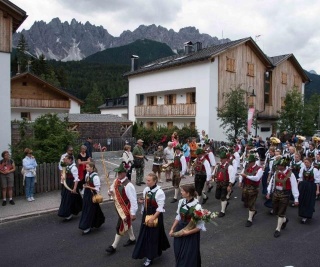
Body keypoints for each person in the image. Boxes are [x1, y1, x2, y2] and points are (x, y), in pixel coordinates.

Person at [132, 173, 170, 266]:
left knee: (152, 237)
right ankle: (152, 252)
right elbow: (146, 202)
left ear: (155, 181)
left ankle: (150, 257)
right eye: (147, 180)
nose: (147, 182)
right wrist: (142, 202)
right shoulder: (146, 189)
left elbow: (161, 208)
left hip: (155, 216)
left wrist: (153, 218)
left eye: (149, 180)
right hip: (146, 215)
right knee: (145, 235)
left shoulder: (160, 192)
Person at [169, 184, 205, 267]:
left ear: (188, 193)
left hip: (190, 233)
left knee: (188, 255)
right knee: (178, 250)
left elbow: (200, 227)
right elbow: (178, 217)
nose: (181, 192)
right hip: (180, 229)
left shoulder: (197, 207)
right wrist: (172, 228)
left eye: (182, 191)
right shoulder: (181, 202)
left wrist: (188, 233)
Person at [106, 163, 138, 254]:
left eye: (120, 173)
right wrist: (109, 192)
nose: (118, 174)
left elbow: (133, 200)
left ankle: (113, 246)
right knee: (126, 223)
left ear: (125, 173)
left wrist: (133, 213)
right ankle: (132, 239)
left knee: (120, 226)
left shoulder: (128, 185)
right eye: (118, 173)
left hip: (126, 209)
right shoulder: (116, 181)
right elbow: (112, 189)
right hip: (118, 207)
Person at [266, 156, 299, 238]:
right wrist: (268, 192)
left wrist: (296, 198)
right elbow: (272, 182)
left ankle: (278, 229)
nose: (277, 167)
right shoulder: (276, 172)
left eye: (278, 165)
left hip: (285, 194)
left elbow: (294, 186)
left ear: (283, 166)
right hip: (276, 193)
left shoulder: (291, 174)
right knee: (276, 211)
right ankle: (284, 220)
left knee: (281, 211)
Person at [79, 162, 105, 234]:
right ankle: (98, 220)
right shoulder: (87, 174)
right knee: (91, 208)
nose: (86, 168)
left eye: (87, 167)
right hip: (87, 194)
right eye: (86, 167)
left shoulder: (95, 177)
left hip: (92, 194)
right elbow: (86, 183)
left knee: (89, 210)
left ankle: (87, 226)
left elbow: (97, 188)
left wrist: (88, 187)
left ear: (92, 168)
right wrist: (85, 187)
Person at [239, 154, 263, 227]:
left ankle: (249, 219)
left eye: (249, 162)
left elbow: (257, 178)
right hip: (246, 186)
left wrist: (247, 176)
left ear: (252, 162)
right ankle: (253, 211)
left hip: (253, 188)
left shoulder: (259, 169)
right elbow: (242, 174)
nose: (247, 163)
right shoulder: (246, 167)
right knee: (246, 202)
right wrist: (240, 181)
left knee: (251, 203)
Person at [58, 155, 82, 221]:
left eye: (66, 159)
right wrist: (63, 177)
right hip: (67, 184)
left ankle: (68, 213)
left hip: (71, 185)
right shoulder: (67, 166)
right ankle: (68, 213)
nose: (65, 160)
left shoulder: (74, 168)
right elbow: (64, 174)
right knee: (66, 198)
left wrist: (74, 188)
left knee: (69, 199)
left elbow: (76, 179)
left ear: (70, 160)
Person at [298, 157, 320, 224]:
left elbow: (317, 181)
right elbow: (300, 178)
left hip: (311, 187)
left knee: (309, 201)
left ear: (310, 163)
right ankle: (302, 214)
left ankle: (306, 215)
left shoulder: (315, 170)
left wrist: (317, 190)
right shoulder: (302, 169)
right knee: (302, 200)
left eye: (307, 162)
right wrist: (297, 187)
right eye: (305, 162)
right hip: (303, 186)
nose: (306, 164)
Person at [214, 151, 235, 217]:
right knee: (217, 196)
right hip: (219, 183)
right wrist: (213, 176)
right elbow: (215, 172)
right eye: (220, 158)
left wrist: (229, 185)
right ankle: (225, 202)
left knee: (223, 197)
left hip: (225, 184)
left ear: (226, 159)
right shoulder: (219, 165)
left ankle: (222, 211)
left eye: (222, 159)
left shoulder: (229, 167)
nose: (221, 160)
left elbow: (232, 177)